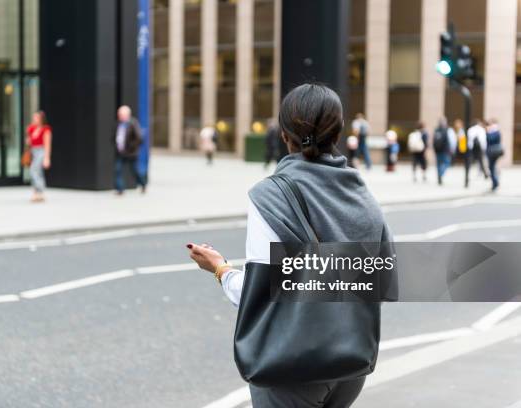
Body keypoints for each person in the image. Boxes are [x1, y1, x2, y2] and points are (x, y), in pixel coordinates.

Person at [186, 84, 394, 408]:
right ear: (337, 132)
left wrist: (220, 269)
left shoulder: (271, 196)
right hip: (351, 364)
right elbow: (382, 282)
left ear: (284, 134)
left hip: (294, 367)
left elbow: (257, 294)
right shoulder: (363, 196)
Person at [113, 105, 145, 194]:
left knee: (135, 171)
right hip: (120, 153)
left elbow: (139, 138)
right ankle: (120, 189)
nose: (119, 116)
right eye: (119, 114)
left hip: (131, 153)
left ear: (127, 115)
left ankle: (143, 183)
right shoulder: (118, 124)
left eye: (121, 114)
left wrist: (131, 147)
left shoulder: (133, 123)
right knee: (118, 170)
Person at [25, 111, 52, 203]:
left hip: (41, 151)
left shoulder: (46, 129)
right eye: (33, 117)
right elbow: (29, 142)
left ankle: (40, 190)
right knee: (38, 172)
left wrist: (47, 158)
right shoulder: (32, 129)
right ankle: (37, 193)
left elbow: (47, 144)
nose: (34, 119)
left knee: (34, 170)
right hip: (33, 151)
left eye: (36, 117)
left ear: (41, 119)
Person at [433, 117, 456, 185]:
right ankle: (441, 174)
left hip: (437, 150)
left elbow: (433, 140)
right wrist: (452, 149)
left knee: (438, 164)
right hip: (445, 150)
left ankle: (439, 175)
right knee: (447, 163)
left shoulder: (436, 130)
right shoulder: (448, 130)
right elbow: (452, 141)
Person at [485, 119, 504, 191]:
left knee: (491, 167)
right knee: (492, 167)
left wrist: (488, 132)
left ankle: (495, 182)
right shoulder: (496, 131)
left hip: (492, 152)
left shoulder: (494, 132)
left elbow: (490, 140)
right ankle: (495, 182)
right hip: (493, 152)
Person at [453, 119, 471, 188]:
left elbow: (462, 140)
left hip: (463, 148)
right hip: (461, 148)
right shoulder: (459, 131)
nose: (456, 125)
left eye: (457, 124)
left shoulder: (462, 131)